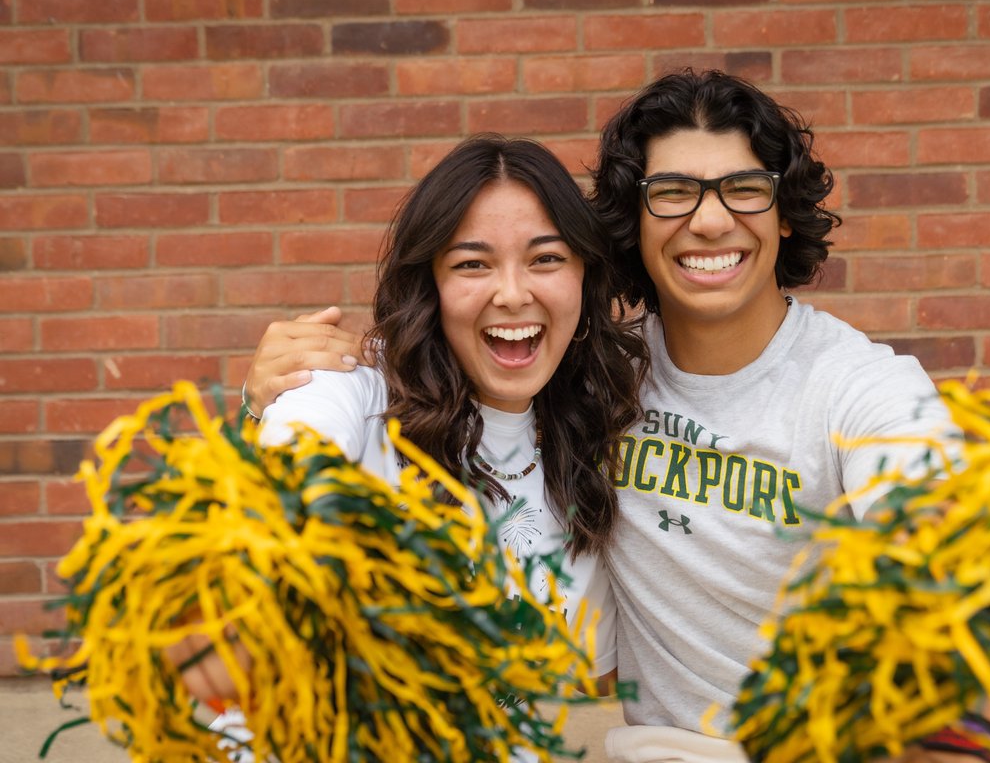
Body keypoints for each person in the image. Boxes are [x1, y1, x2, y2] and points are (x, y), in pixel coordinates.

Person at [243, 72, 990, 763]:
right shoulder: (592, 376)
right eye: (673, 193)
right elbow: (309, 460)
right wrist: (264, 405)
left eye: (743, 189)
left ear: (784, 213)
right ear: (635, 222)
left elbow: (939, 544)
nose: (710, 221)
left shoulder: (861, 388)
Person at [184, 134, 648, 761]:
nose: (513, 294)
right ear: (428, 282)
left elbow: (569, 679)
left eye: (545, 259)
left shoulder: (584, 461)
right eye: (472, 264)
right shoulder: (347, 390)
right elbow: (285, 483)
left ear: (584, 276)